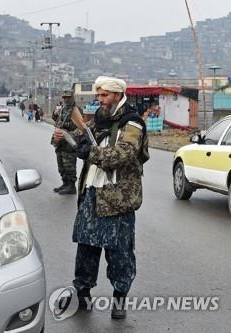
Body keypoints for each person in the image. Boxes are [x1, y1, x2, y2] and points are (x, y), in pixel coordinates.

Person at [71, 76, 147, 319]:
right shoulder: (99, 120)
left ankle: (119, 299)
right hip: (92, 193)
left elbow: (122, 154)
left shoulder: (132, 123)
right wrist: (73, 141)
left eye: (104, 95)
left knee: (120, 253)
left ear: (117, 95)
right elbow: (84, 142)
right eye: (98, 95)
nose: (100, 99)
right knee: (86, 249)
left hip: (118, 199)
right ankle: (82, 294)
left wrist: (91, 152)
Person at [51, 90, 79, 194]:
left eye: (68, 97)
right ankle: (65, 183)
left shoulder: (76, 110)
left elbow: (78, 126)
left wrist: (64, 127)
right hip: (59, 142)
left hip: (69, 142)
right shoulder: (62, 108)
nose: (66, 99)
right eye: (64, 98)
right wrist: (55, 113)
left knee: (69, 165)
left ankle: (71, 186)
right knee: (61, 165)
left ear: (72, 97)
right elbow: (56, 119)